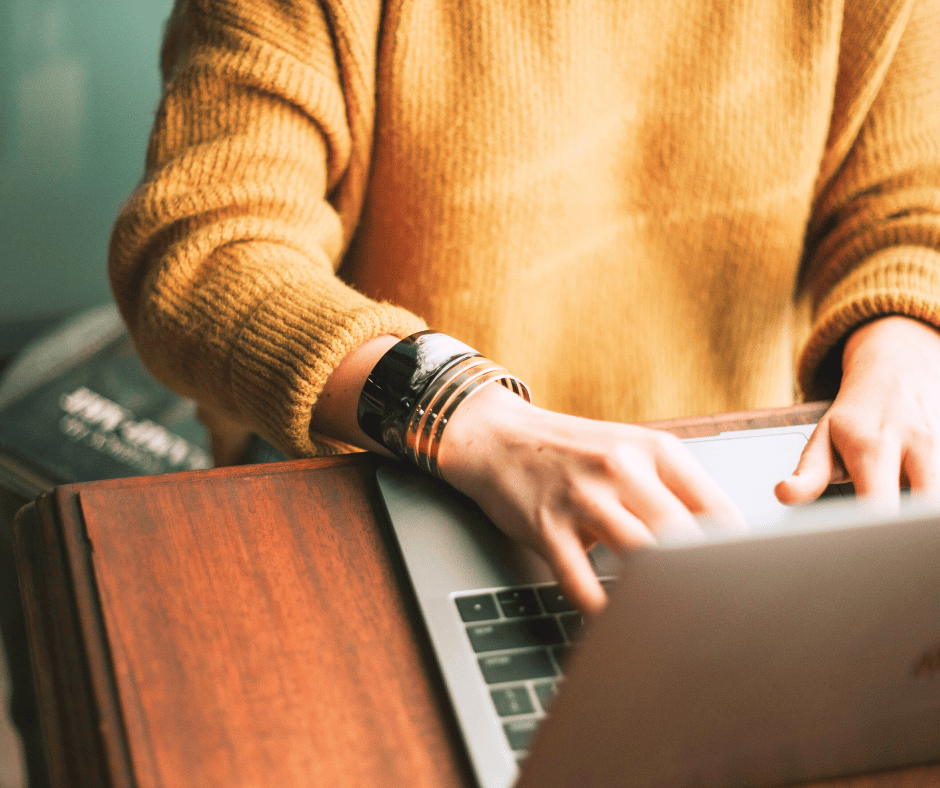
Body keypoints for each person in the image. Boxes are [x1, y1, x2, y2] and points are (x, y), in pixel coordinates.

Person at [109, 0, 940, 614]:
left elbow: (910, 211)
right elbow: (204, 250)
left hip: (747, 502)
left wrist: (900, 353)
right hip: (401, 484)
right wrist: (471, 421)